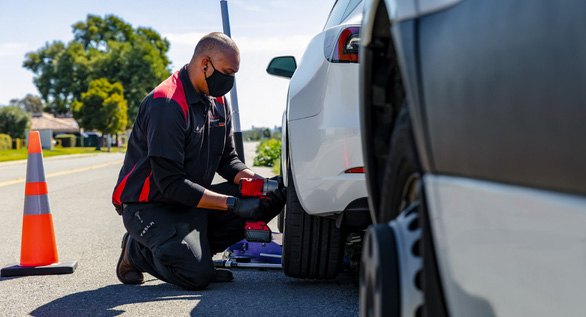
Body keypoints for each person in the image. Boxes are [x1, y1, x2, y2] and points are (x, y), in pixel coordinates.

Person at [111, 32, 286, 291]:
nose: (230, 81)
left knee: (271, 195)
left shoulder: (217, 100)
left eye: (234, 74)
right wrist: (233, 204)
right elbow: (171, 184)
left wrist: (260, 184)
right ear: (205, 64)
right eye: (227, 72)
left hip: (191, 201)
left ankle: (194, 252)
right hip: (150, 207)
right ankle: (136, 251)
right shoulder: (167, 104)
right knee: (196, 275)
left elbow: (228, 160)